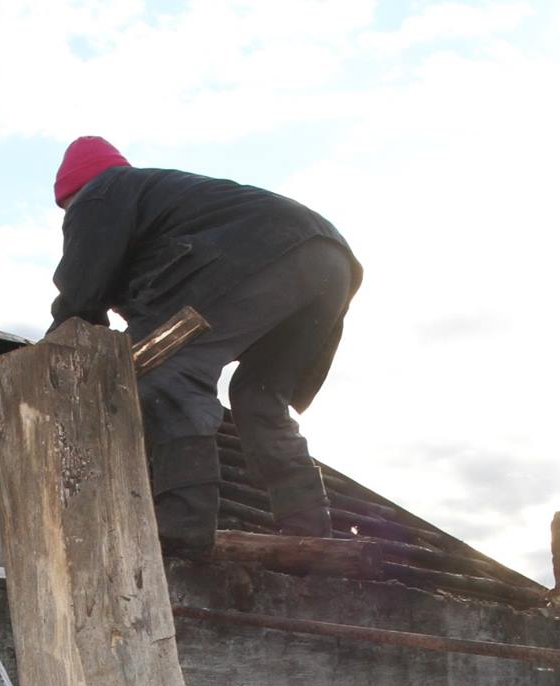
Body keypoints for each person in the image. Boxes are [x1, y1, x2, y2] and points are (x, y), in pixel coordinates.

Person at [48, 136, 362, 554]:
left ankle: (183, 525)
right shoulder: (164, 200)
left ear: (72, 193)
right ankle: (309, 528)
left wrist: (53, 357)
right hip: (329, 261)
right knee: (260, 398)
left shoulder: (100, 193)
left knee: (169, 370)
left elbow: (81, 291)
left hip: (264, 250)